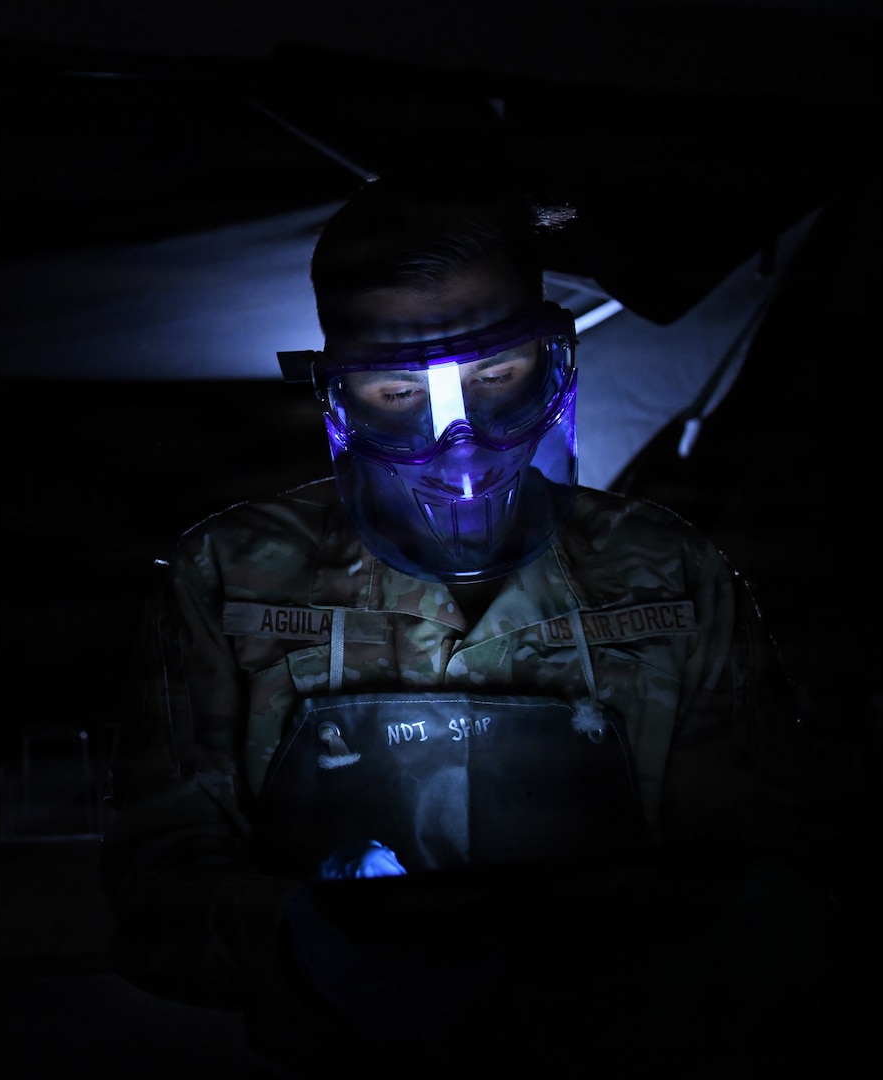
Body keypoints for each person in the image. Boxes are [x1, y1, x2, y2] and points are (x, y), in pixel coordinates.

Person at [99, 172, 837, 1076]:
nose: (462, 444)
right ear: (339, 392)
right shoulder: (227, 578)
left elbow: (780, 858)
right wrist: (303, 939)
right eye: (395, 391)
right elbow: (151, 896)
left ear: (550, 358)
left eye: (496, 375)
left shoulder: (671, 570)